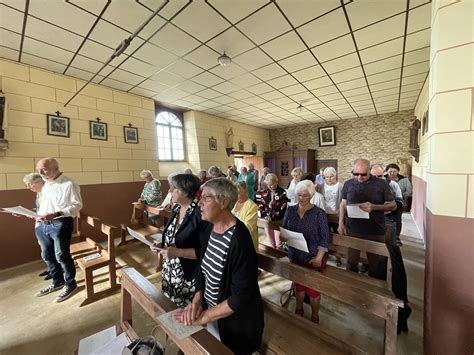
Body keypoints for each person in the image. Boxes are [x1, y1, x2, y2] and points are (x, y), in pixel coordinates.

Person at [175, 178, 264, 354]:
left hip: (236, 324)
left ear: (223, 202)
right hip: (212, 313)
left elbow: (240, 297)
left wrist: (204, 317)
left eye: (206, 198)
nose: (199, 203)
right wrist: (197, 301)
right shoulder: (210, 228)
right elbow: (202, 269)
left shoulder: (239, 239)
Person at [150, 174, 208, 308]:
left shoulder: (199, 213)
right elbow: (173, 236)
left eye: (174, 188)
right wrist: (161, 245)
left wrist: (177, 252)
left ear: (185, 191)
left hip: (188, 274)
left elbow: (205, 251)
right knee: (169, 307)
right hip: (170, 270)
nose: (170, 190)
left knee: (186, 314)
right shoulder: (176, 209)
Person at [34, 158, 83, 302]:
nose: (40, 172)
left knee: (61, 255)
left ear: (55, 168)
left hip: (60, 223)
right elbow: (46, 206)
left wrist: (56, 214)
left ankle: (70, 283)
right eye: (38, 170)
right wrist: (32, 213)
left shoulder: (69, 183)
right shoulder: (47, 185)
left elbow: (77, 205)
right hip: (43, 224)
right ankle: (57, 281)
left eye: (43, 169)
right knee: (47, 255)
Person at [338, 159, 396, 280]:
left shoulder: (381, 184)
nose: (359, 177)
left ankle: (375, 290)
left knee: (376, 264)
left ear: (369, 171)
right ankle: (351, 287)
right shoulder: (348, 184)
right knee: (351, 262)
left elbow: (393, 205)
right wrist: (340, 223)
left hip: (375, 229)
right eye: (356, 174)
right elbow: (343, 204)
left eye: (363, 174)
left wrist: (374, 207)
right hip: (353, 229)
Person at [371, 164, 412, 334]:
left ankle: (401, 310)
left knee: (395, 267)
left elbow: (397, 206)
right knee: (379, 268)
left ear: (385, 175)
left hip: (389, 227)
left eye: (380, 176)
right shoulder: (370, 187)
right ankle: (387, 308)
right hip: (373, 228)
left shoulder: (392, 186)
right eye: (374, 177)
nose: (377, 180)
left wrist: (376, 209)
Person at [282, 180, 329, 323]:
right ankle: (299, 308)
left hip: (313, 257)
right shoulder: (290, 210)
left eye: (305, 196)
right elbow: (284, 228)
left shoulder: (318, 213)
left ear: (311, 195)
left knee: (313, 289)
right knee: (299, 284)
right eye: (299, 195)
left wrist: (318, 258)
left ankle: (315, 316)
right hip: (295, 255)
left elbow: (324, 238)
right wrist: (283, 236)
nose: (302, 198)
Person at [22, 173, 50, 280]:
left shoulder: (48, 192)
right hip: (39, 224)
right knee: (44, 249)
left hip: (47, 224)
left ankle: (56, 271)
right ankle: (51, 269)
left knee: (48, 249)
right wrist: (27, 212)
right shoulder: (39, 193)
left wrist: (37, 216)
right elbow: (40, 209)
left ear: (39, 182)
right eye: (27, 185)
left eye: (30, 184)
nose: (29, 187)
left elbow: (51, 210)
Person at [258, 173, 288, 248]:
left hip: (278, 220)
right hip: (267, 221)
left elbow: (283, 208)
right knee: (271, 242)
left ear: (276, 182)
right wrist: (265, 215)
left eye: (271, 184)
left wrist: (272, 217)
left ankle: (280, 258)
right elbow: (261, 205)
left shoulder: (282, 192)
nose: (270, 187)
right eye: (268, 185)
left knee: (279, 243)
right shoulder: (265, 193)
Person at [386, 163, 412, 231]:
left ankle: (396, 236)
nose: (392, 173)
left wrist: (399, 194)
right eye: (390, 171)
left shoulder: (404, 179)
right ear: (387, 171)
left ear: (398, 171)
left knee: (397, 220)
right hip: (385, 203)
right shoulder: (383, 179)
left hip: (399, 203)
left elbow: (409, 191)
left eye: (394, 171)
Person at [232, 181, 259, 250]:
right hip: (233, 239)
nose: (235, 195)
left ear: (245, 191)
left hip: (246, 242)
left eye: (238, 192)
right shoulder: (233, 204)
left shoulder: (252, 206)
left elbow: (249, 227)